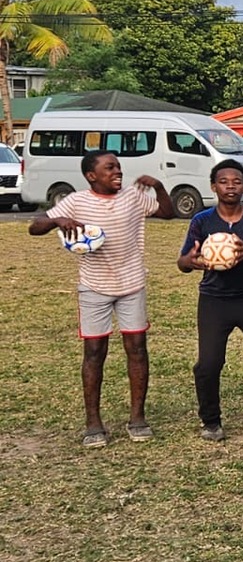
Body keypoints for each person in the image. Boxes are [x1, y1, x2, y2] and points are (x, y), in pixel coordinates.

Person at [30, 150, 173, 447]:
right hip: (94, 286)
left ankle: (137, 418)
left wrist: (158, 187)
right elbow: (35, 226)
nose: (117, 172)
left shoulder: (132, 197)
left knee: (136, 348)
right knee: (94, 352)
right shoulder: (77, 201)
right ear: (91, 176)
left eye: (119, 167)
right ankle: (93, 423)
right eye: (110, 168)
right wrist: (60, 221)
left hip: (132, 282)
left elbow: (167, 212)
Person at [177, 160, 243, 443]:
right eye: (224, 181)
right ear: (214, 186)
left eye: (236, 181)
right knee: (209, 364)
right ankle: (211, 422)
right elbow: (183, 261)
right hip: (214, 300)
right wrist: (190, 261)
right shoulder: (202, 221)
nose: (230, 186)